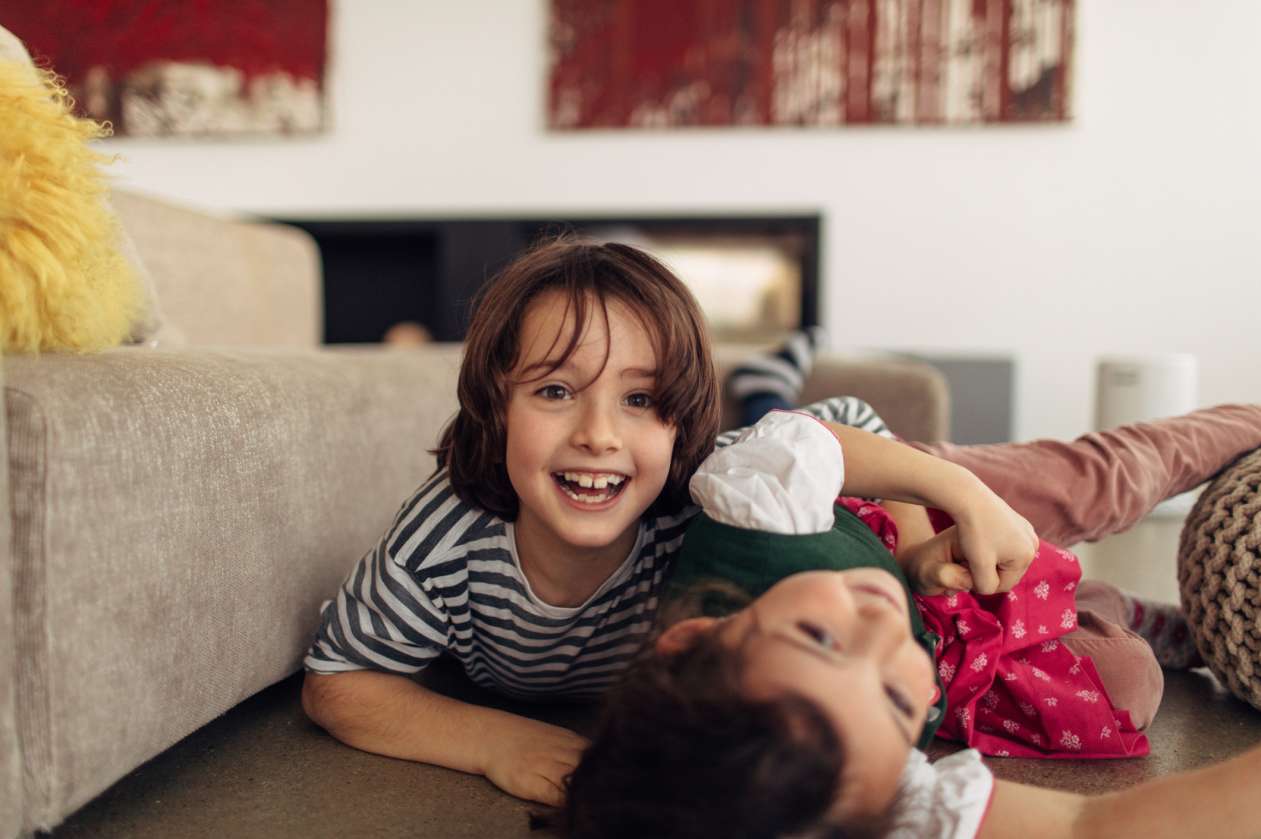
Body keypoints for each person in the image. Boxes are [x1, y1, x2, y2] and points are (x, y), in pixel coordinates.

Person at [299, 239, 1036, 806]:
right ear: (494, 406)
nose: (598, 434)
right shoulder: (441, 541)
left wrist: (938, 516)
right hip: (522, 675)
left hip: (766, 467)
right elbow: (338, 679)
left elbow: (840, 424)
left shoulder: (698, 489)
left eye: (640, 400)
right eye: (555, 389)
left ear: (679, 421)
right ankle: (764, 382)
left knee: (795, 436)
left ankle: (764, 385)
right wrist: (498, 740)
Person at [562, 402, 1261, 839]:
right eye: (897, 697)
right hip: (952, 597)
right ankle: (1117, 609)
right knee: (1118, 680)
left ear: (697, 634)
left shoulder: (757, 524)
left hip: (889, 486)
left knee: (1095, 484)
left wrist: (956, 498)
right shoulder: (844, 797)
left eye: (821, 636)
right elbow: (1091, 824)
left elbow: (802, 438)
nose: (880, 628)